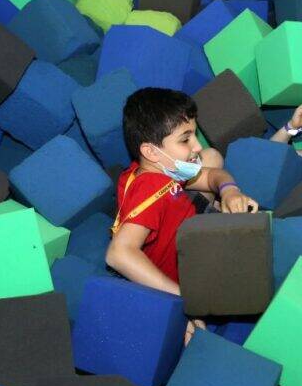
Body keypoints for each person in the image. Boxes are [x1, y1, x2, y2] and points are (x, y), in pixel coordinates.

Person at [106, 87, 259, 344]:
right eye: (185, 139)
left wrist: (229, 191)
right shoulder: (152, 189)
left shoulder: (154, 170)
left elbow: (212, 175)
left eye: (194, 134)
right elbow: (118, 254)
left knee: (211, 157)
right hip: (179, 276)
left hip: (182, 225)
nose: (197, 145)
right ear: (151, 151)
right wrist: (184, 301)